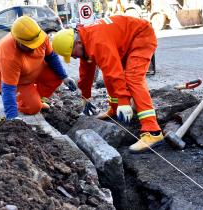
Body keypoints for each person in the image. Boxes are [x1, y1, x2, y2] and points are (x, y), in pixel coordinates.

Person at [52, 15, 163, 153]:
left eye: (72, 53)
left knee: (133, 78)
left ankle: (153, 132)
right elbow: (86, 73)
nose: (73, 57)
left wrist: (124, 101)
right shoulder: (84, 40)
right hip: (125, 41)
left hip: (141, 36)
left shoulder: (98, 42)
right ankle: (114, 109)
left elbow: (114, 71)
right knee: (108, 76)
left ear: (78, 43)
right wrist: (85, 97)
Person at [0, 16, 76, 120]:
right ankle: (23, 100)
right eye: (30, 45)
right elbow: (8, 88)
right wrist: (12, 117)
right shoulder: (9, 55)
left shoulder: (40, 36)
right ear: (18, 41)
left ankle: (34, 98)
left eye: (36, 43)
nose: (34, 47)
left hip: (33, 68)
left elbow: (51, 57)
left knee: (56, 77)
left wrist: (64, 76)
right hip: (15, 79)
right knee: (34, 108)